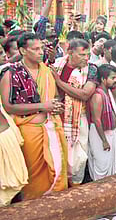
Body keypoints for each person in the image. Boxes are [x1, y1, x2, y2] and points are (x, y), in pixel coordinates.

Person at [0, 33, 68, 199]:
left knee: (58, 173)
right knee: (34, 178)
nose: (41, 52)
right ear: (23, 51)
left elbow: (54, 98)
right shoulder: (11, 73)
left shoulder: (47, 71)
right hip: (28, 133)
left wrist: (55, 107)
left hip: (52, 127)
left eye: (42, 48)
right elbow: (9, 106)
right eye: (36, 49)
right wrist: (43, 106)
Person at [52, 39, 98, 186]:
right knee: (57, 155)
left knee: (78, 158)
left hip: (77, 120)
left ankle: (75, 188)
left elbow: (85, 94)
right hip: (55, 117)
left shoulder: (91, 69)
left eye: (88, 54)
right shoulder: (56, 65)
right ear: (70, 52)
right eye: (82, 54)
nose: (86, 58)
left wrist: (59, 83)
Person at [87, 64, 116, 179]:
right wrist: (104, 141)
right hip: (100, 135)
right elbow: (97, 120)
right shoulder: (98, 96)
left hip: (109, 133)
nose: (115, 80)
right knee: (102, 167)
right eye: (112, 78)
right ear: (103, 79)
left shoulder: (107, 92)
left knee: (109, 168)